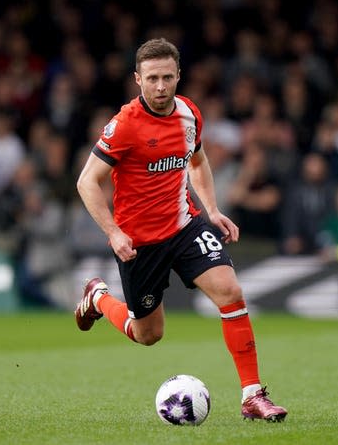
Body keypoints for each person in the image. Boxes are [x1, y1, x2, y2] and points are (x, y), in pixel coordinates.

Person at [75, 38, 287, 422]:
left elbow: (199, 161)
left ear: (178, 76)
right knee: (148, 335)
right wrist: (113, 232)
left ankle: (253, 396)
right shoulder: (123, 126)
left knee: (230, 291)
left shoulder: (189, 113)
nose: (160, 87)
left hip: (185, 226)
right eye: (152, 78)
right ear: (137, 79)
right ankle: (99, 297)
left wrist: (213, 209)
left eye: (167, 77)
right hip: (139, 244)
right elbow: (87, 182)